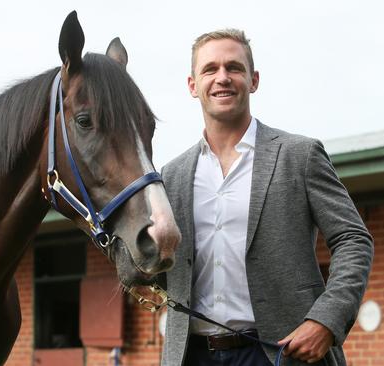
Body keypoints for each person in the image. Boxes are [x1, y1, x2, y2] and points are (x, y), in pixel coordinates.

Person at [160, 29, 373, 366]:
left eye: (234, 67)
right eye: (210, 69)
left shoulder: (299, 155)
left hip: (280, 353)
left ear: (253, 80)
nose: (222, 78)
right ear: (192, 85)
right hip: (190, 355)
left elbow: (353, 240)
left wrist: (326, 320)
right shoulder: (170, 176)